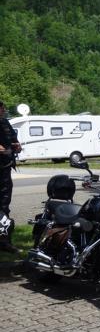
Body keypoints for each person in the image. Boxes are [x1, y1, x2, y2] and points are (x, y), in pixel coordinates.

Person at [0, 101, 21, 254]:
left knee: (4, 206)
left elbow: (13, 139)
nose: (3, 111)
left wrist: (17, 146)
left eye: (3, 108)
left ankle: (4, 241)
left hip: (5, 169)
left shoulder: (5, 123)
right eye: (0, 109)